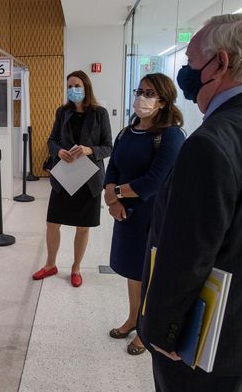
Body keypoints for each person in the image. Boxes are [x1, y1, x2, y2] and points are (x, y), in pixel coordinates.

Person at [138, 13, 242, 392]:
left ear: (221, 63)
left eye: (192, 60)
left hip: (209, 341)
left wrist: (162, 332)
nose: (185, 70)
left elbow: (188, 251)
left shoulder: (211, 142)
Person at [104, 73, 184, 356]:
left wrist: (117, 194)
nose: (141, 97)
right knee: (133, 273)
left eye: (149, 93)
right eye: (139, 91)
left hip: (153, 216)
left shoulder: (171, 135)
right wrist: (112, 198)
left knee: (150, 274)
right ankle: (133, 319)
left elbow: (155, 180)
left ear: (162, 100)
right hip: (125, 215)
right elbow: (112, 166)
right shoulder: (127, 132)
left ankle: (146, 331)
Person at [32, 70, 112, 287]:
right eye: (69, 86)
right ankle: (50, 265)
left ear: (86, 87)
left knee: (82, 226)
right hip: (65, 176)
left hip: (88, 178)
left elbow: (107, 147)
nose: (72, 90)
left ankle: (76, 268)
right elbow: (51, 140)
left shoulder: (99, 114)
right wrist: (58, 152)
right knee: (52, 223)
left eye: (77, 85)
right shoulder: (63, 111)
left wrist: (89, 150)